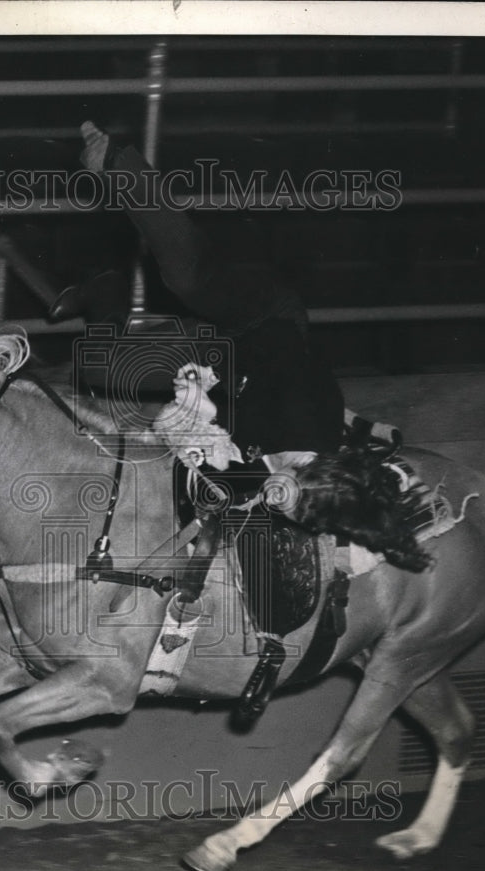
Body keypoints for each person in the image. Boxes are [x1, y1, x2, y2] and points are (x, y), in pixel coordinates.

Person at [53, 122, 431, 576]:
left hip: (221, 358)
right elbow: (254, 367)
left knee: (96, 368)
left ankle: (103, 292)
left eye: (291, 515)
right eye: (289, 498)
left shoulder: (278, 482)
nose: (277, 502)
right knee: (189, 278)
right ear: (308, 474)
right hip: (263, 319)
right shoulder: (302, 415)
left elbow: (209, 452)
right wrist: (206, 389)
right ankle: (117, 162)